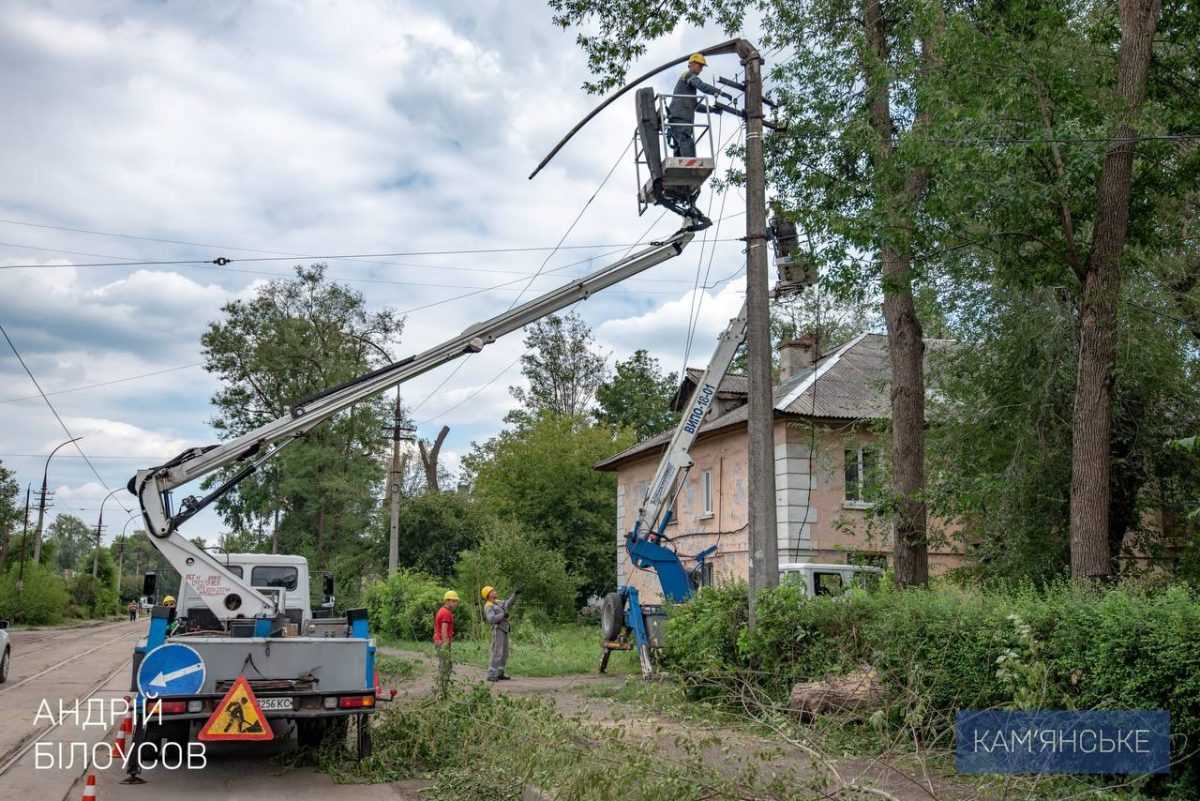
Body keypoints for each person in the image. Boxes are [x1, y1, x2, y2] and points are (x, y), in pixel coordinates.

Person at [667, 53, 724, 157]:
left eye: (702, 66)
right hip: (679, 118)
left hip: (681, 119)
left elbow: (695, 106)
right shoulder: (687, 76)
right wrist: (717, 91)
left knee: (681, 147)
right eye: (700, 65)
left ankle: (682, 168)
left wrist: (712, 110)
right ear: (692, 64)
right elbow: (701, 86)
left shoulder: (689, 88)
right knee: (687, 143)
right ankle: (689, 166)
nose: (701, 69)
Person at [481, 584, 517, 682]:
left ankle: (500, 673)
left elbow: (507, 604)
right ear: (488, 594)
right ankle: (491, 674)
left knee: (504, 652)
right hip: (497, 630)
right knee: (497, 652)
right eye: (493, 591)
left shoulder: (497, 602)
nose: (495, 592)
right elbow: (491, 619)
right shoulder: (488, 606)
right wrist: (503, 615)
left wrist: (515, 594)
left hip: (504, 629)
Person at [433, 590, 459, 698]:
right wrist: (445, 645)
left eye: (456, 601)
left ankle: (442, 690)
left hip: (438, 641)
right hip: (443, 643)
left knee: (444, 666)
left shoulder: (442, 611)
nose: (456, 603)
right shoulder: (446, 613)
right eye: (454, 601)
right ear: (447, 601)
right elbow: (444, 630)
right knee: (446, 667)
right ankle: (442, 692)